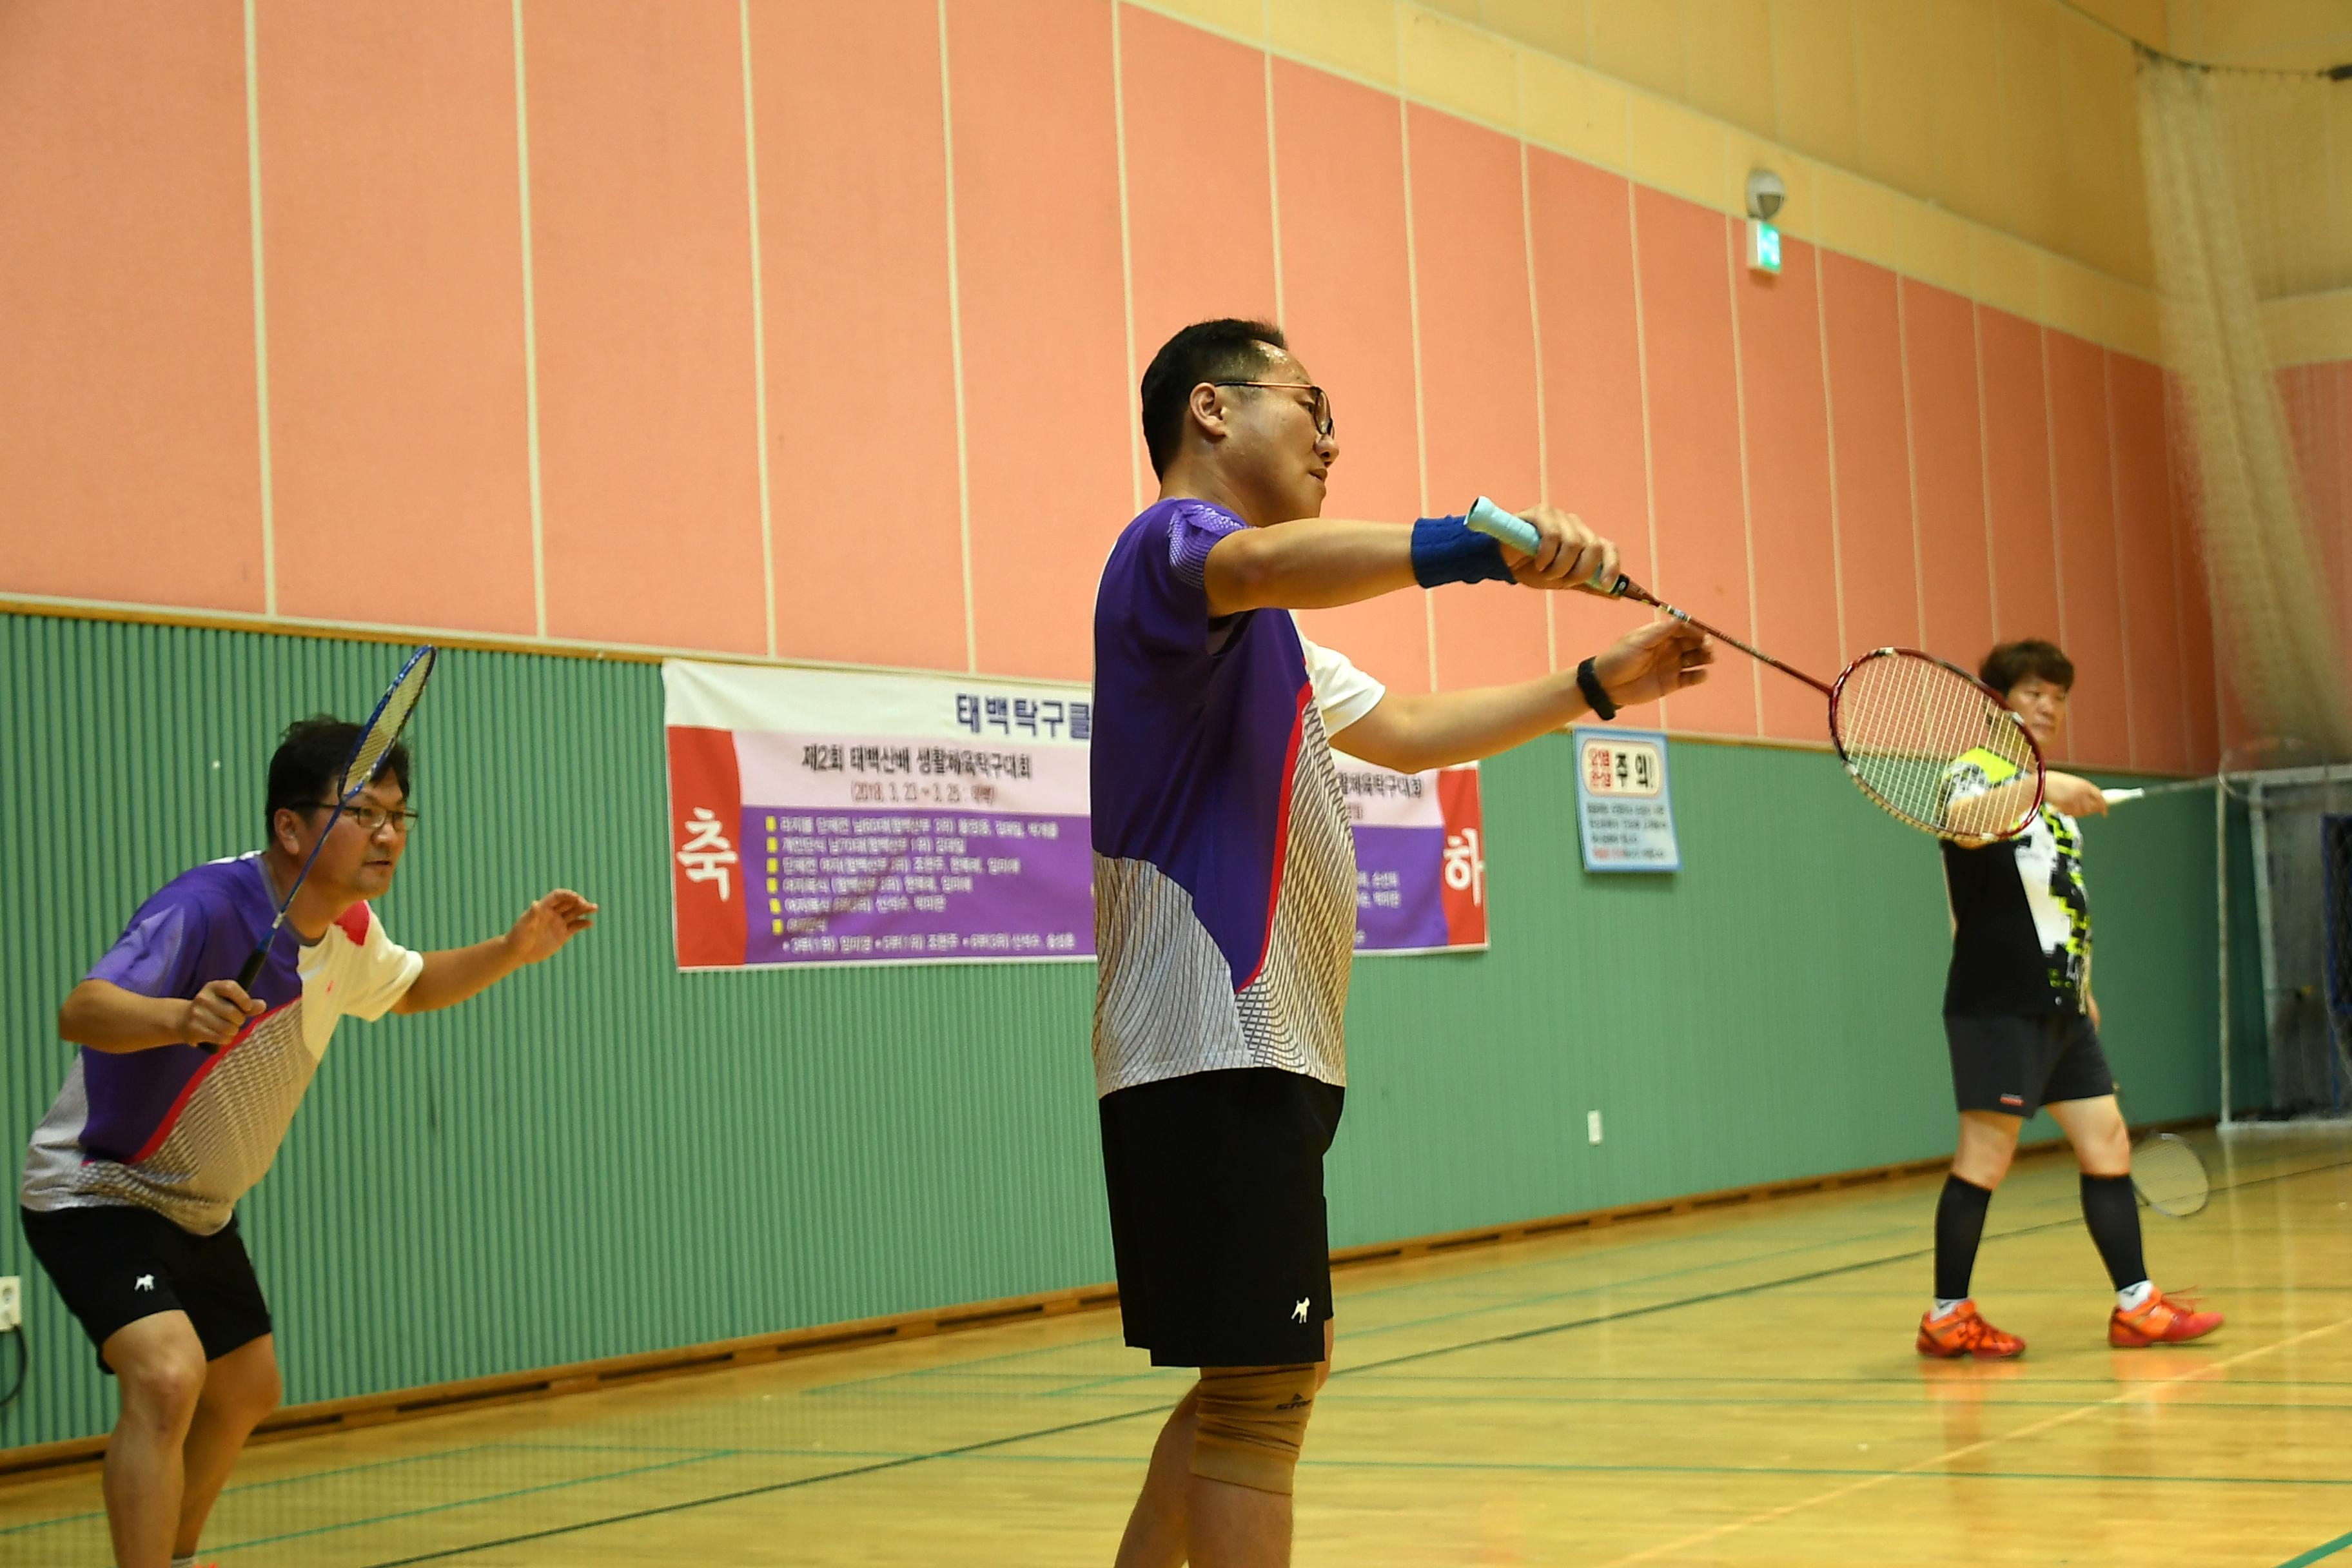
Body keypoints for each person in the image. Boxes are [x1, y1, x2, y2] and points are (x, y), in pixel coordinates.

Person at [1091, 318, 1712, 1567]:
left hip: (1260, 1051)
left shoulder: (1271, 630)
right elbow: (1271, 560)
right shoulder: (1172, 551)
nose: (1332, 436)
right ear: (1211, 410)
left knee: (1262, 1378)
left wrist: (1602, 682)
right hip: (1213, 1043)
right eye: (1310, 403)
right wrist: (1471, 548)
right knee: (1262, 1395)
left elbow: (1419, 725)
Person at [19, 716, 598, 1568]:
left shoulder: (351, 929)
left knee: (247, 1388)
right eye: (364, 813)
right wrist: (179, 1016)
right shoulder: (206, 907)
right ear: (290, 826)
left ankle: (176, 1555)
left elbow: (410, 988)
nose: (389, 834)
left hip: (198, 1210)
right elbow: (85, 1010)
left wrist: (513, 950)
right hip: (101, 1192)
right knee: (170, 1374)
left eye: (399, 815)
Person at [1917, 640, 2222, 1360]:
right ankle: (1947, 1315)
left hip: (2060, 1003)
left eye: (2058, 695)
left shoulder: (2052, 805)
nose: (2049, 706)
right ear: (1997, 702)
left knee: (2107, 1141)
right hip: (1997, 1000)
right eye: (2033, 693)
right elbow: (1963, 826)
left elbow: (2063, 902)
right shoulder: (1977, 773)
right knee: (1986, 1156)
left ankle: (2137, 1305)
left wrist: (2086, 985)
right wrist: (2043, 786)